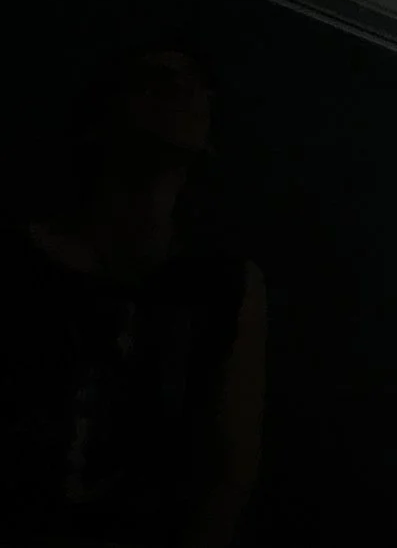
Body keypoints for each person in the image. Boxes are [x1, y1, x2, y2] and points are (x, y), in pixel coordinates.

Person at [0, 48, 266, 546]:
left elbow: (227, 478)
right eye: (157, 79)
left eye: (196, 83)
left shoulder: (223, 286)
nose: (185, 92)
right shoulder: (19, 259)